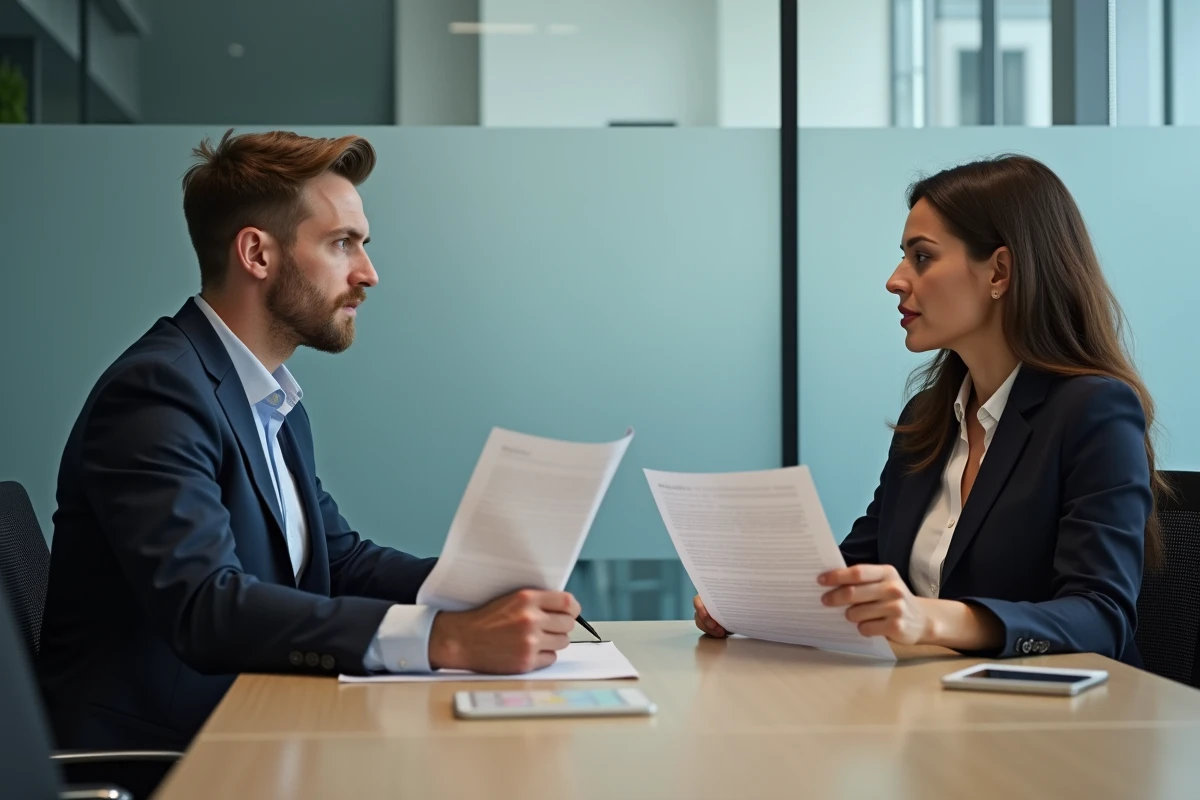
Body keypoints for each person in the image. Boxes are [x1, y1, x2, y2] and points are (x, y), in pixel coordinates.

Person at [38, 130, 580, 752]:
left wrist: (489, 589)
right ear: (257, 254)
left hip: (258, 724)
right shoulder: (157, 391)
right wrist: (446, 638)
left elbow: (339, 562)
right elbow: (205, 610)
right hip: (167, 757)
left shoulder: (270, 398)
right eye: (342, 243)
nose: (369, 273)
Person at [695, 155, 1161, 665]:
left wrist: (930, 617)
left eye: (921, 257)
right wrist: (750, 603)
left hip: (1062, 724)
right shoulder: (929, 417)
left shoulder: (1093, 411)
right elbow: (861, 569)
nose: (895, 280)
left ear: (999, 272)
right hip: (932, 707)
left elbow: (1101, 617)